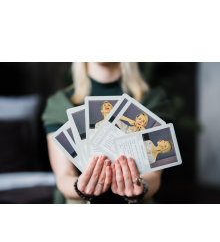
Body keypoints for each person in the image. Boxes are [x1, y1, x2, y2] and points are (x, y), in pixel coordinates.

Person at [42, 62, 173, 204]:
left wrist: (141, 187)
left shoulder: (152, 101)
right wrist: (80, 187)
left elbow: (154, 175)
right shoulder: (60, 104)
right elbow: (64, 176)